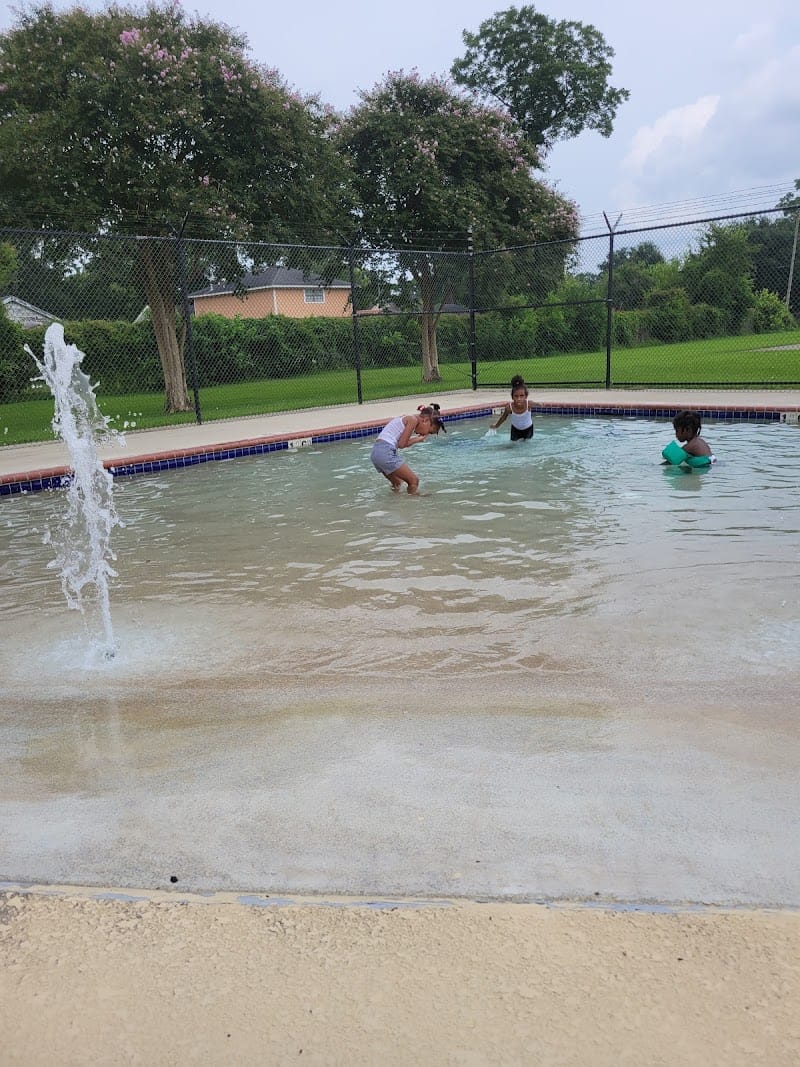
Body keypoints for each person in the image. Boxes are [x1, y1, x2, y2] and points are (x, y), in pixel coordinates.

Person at [370, 404, 444, 494]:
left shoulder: (407, 418)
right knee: (414, 481)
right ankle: (412, 505)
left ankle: (395, 504)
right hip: (385, 452)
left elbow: (398, 443)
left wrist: (417, 439)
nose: (426, 434)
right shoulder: (412, 420)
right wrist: (418, 439)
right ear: (426, 420)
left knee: (397, 483)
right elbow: (402, 444)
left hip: (376, 453)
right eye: (429, 431)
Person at [491, 375, 535, 440]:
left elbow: (540, 404)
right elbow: (503, 418)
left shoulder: (529, 404)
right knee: (513, 446)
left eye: (521, 396)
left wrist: (542, 405)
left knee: (526, 445)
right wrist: (496, 425)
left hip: (528, 429)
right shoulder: (509, 407)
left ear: (526, 396)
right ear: (512, 397)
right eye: (516, 396)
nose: (519, 399)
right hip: (515, 430)